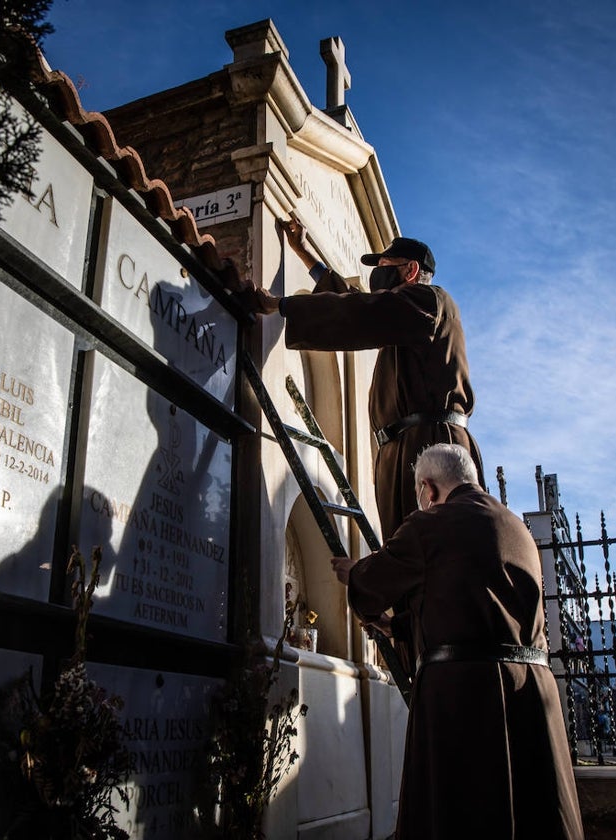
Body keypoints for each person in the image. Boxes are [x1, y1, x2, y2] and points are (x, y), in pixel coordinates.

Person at [249, 219, 483, 676]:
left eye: (386, 267)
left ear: (410, 271)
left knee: (428, 557)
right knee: (414, 562)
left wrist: (282, 306)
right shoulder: (405, 311)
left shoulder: (429, 302)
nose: (379, 275)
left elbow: (362, 314)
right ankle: (410, 633)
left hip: (429, 446)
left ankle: (433, 658)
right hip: (406, 450)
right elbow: (361, 305)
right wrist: (305, 257)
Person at [331, 443, 584, 840]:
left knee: (466, 815)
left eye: (420, 494)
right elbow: (474, 606)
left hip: (467, 698)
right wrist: (396, 629)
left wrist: (353, 572)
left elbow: (376, 581)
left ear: (428, 489)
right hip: (531, 697)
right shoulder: (516, 526)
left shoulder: (430, 524)